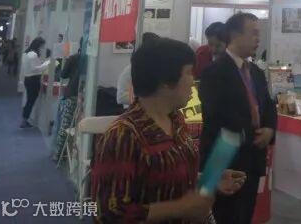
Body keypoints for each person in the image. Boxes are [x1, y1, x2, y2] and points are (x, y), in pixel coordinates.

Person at [92, 38, 246, 222]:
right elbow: (110, 211)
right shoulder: (123, 135)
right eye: (188, 73)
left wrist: (207, 179)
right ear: (166, 81)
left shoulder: (176, 120)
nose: (193, 81)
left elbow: (163, 176)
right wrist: (181, 208)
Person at [199, 12, 277, 224]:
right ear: (235, 35)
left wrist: (270, 130)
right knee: (224, 216)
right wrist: (253, 136)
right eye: (253, 33)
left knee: (245, 215)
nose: (258, 39)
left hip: (252, 160)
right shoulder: (214, 72)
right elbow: (217, 118)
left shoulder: (256, 72)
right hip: (224, 159)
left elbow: (269, 106)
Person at [51, 41, 83, 162]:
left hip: (72, 94)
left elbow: (63, 75)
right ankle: (74, 155)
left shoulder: (74, 58)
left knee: (65, 125)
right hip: (86, 96)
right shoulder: (91, 60)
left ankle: (58, 154)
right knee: (79, 126)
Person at [117, 32, 160, 108]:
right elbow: (121, 97)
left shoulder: (158, 67)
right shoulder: (130, 70)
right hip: (136, 110)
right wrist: (150, 97)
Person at [21, 37, 50, 128]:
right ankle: (24, 120)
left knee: (29, 100)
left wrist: (41, 63)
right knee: (31, 101)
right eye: (42, 46)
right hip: (33, 80)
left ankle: (25, 119)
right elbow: (35, 69)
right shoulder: (33, 55)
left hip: (27, 79)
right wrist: (46, 64)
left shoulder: (26, 53)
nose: (42, 48)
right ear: (38, 45)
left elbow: (31, 66)